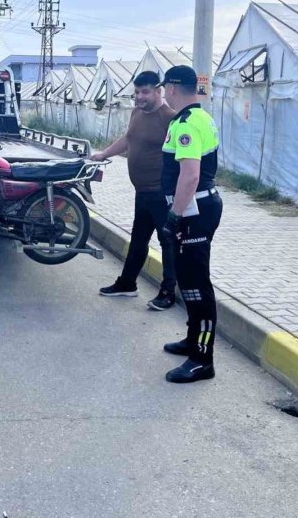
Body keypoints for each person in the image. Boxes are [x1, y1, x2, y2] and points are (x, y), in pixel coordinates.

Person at [91, 71, 177, 310]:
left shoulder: (170, 118)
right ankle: (127, 284)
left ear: (159, 91)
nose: (139, 97)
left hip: (161, 193)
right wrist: (104, 153)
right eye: (137, 92)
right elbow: (128, 139)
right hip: (142, 192)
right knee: (138, 240)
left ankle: (168, 292)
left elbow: (182, 157)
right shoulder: (136, 113)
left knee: (168, 242)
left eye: (145, 92)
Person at [158, 65, 223, 384]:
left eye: (164, 88)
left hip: (194, 211)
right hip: (197, 208)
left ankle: (202, 359)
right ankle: (192, 339)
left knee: (197, 284)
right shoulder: (200, 117)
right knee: (188, 281)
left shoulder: (187, 123)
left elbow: (190, 174)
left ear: (172, 88)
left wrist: (174, 216)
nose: (163, 93)